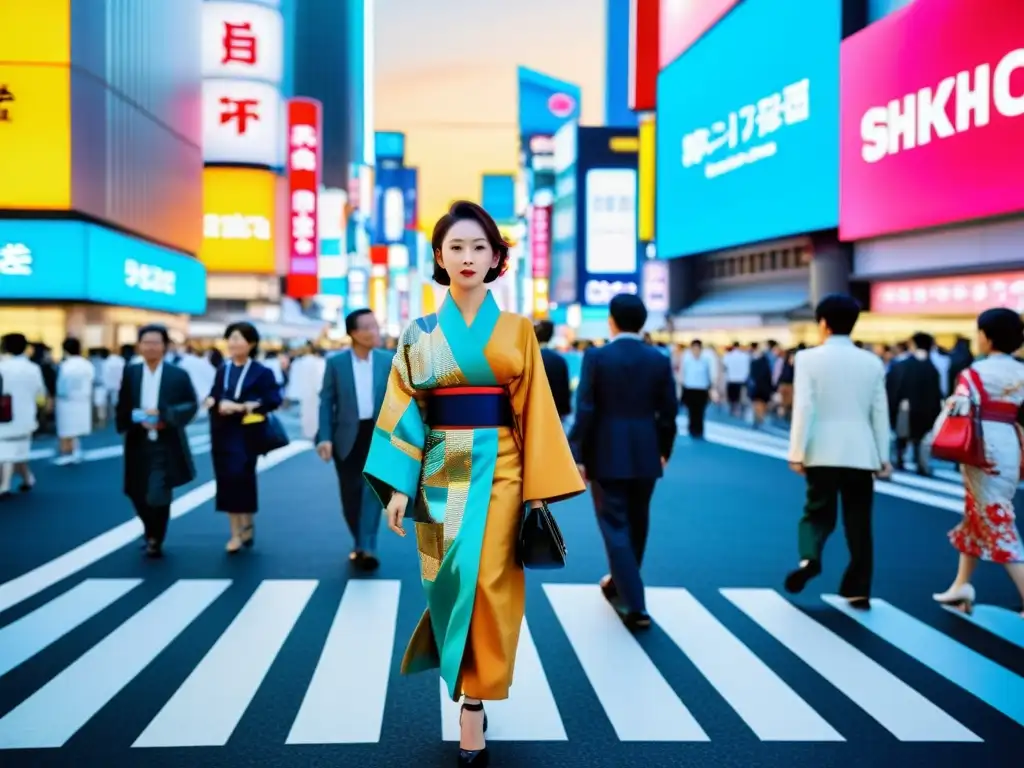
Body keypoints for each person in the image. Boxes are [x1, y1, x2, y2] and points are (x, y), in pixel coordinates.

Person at [362, 200, 584, 767]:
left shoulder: (517, 330)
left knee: (491, 581)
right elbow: (405, 410)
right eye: (456, 247)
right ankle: (463, 677)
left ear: (496, 258)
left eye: (479, 247)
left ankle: (475, 703)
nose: (467, 257)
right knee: (449, 579)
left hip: (504, 460)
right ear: (439, 256)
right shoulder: (421, 332)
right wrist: (397, 486)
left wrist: (537, 486)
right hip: (442, 462)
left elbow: (536, 410)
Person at [569, 293, 678, 630]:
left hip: (606, 450)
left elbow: (586, 409)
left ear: (611, 321)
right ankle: (621, 582)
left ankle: (635, 604)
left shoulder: (597, 357)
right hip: (646, 449)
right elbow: (669, 412)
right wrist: (664, 449)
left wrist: (576, 453)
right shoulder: (658, 358)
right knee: (638, 520)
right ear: (643, 322)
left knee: (614, 525)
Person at [785, 294, 892, 609]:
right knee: (859, 521)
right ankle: (858, 587)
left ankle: (810, 559)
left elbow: (804, 407)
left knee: (816, 513)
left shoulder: (807, 359)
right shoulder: (872, 361)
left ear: (823, 323)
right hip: (861, 452)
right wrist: (883, 457)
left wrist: (796, 451)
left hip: (821, 449)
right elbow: (879, 413)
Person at [932, 308, 1024, 616]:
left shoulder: (975, 373)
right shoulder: (1022, 371)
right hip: (1012, 443)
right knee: (977, 513)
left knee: (997, 520)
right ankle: (962, 585)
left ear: (986, 337)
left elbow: (957, 409)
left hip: (981, 449)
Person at [316, 308, 392, 570]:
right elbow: (326, 402)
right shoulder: (336, 363)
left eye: (376, 326)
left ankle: (368, 546)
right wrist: (324, 438)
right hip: (346, 437)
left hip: (378, 435)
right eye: (369, 327)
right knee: (350, 494)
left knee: (372, 492)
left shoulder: (388, 360)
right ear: (354, 333)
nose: (375, 331)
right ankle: (358, 541)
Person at [116, 325, 199, 558]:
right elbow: (123, 405)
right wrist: (137, 418)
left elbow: (190, 405)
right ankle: (149, 529)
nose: (151, 347)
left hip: (166, 442)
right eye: (146, 342)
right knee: (135, 491)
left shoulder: (177, 374)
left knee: (157, 493)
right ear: (139, 345)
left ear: (165, 346)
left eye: (156, 342)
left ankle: (155, 537)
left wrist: (165, 416)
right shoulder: (131, 372)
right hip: (137, 441)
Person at [204, 322, 282, 553]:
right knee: (226, 480)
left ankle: (245, 525)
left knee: (242, 477)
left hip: (247, 433)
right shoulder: (223, 369)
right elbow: (214, 395)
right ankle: (236, 531)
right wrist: (213, 402)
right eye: (231, 339)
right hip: (222, 431)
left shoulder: (261, 371)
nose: (233, 343)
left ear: (251, 343)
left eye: (238, 339)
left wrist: (246, 406)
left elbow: (273, 399)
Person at [886, 332, 942, 475]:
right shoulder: (933, 367)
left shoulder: (903, 364)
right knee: (920, 437)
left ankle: (899, 459)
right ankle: (920, 463)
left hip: (906, 406)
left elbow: (894, 387)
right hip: (926, 408)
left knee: (902, 435)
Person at [0, 333, 47, 497]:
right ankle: (27, 479)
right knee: (19, 450)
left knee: (6, 451)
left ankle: (5, 485)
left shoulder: (2, 367)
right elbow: (40, 395)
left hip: (4, 416)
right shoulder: (33, 368)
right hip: (26, 415)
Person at [54, 337, 95, 465]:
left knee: (66, 429)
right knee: (77, 428)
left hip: (67, 400)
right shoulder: (87, 364)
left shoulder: (65, 365)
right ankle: (77, 450)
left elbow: (61, 385)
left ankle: (67, 453)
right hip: (83, 399)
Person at [534, 320, 571, 421]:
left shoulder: (530, 359)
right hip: (555, 416)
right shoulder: (559, 360)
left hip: (534, 415)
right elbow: (565, 393)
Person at [678, 339, 714, 438]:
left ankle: (699, 430)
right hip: (690, 388)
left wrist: (711, 388)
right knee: (691, 411)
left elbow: (709, 374)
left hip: (702, 389)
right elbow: (682, 373)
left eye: (698, 349)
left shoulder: (706, 360)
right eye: (694, 349)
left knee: (700, 411)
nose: (696, 351)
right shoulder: (686, 359)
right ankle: (692, 429)